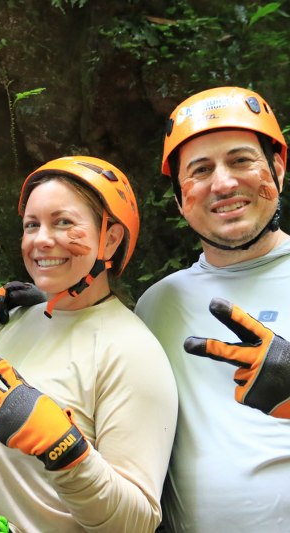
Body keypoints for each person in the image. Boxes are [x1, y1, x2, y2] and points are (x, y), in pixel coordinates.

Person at [0, 156, 178, 533]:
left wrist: (68, 453)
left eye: (63, 222)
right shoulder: (13, 319)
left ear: (111, 238)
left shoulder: (132, 352)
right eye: (31, 225)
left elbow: (137, 522)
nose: (41, 240)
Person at [135, 86, 290, 532]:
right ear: (180, 197)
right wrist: (52, 308)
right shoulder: (156, 305)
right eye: (200, 170)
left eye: (241, 160)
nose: (222, 183)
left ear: (278, 168)